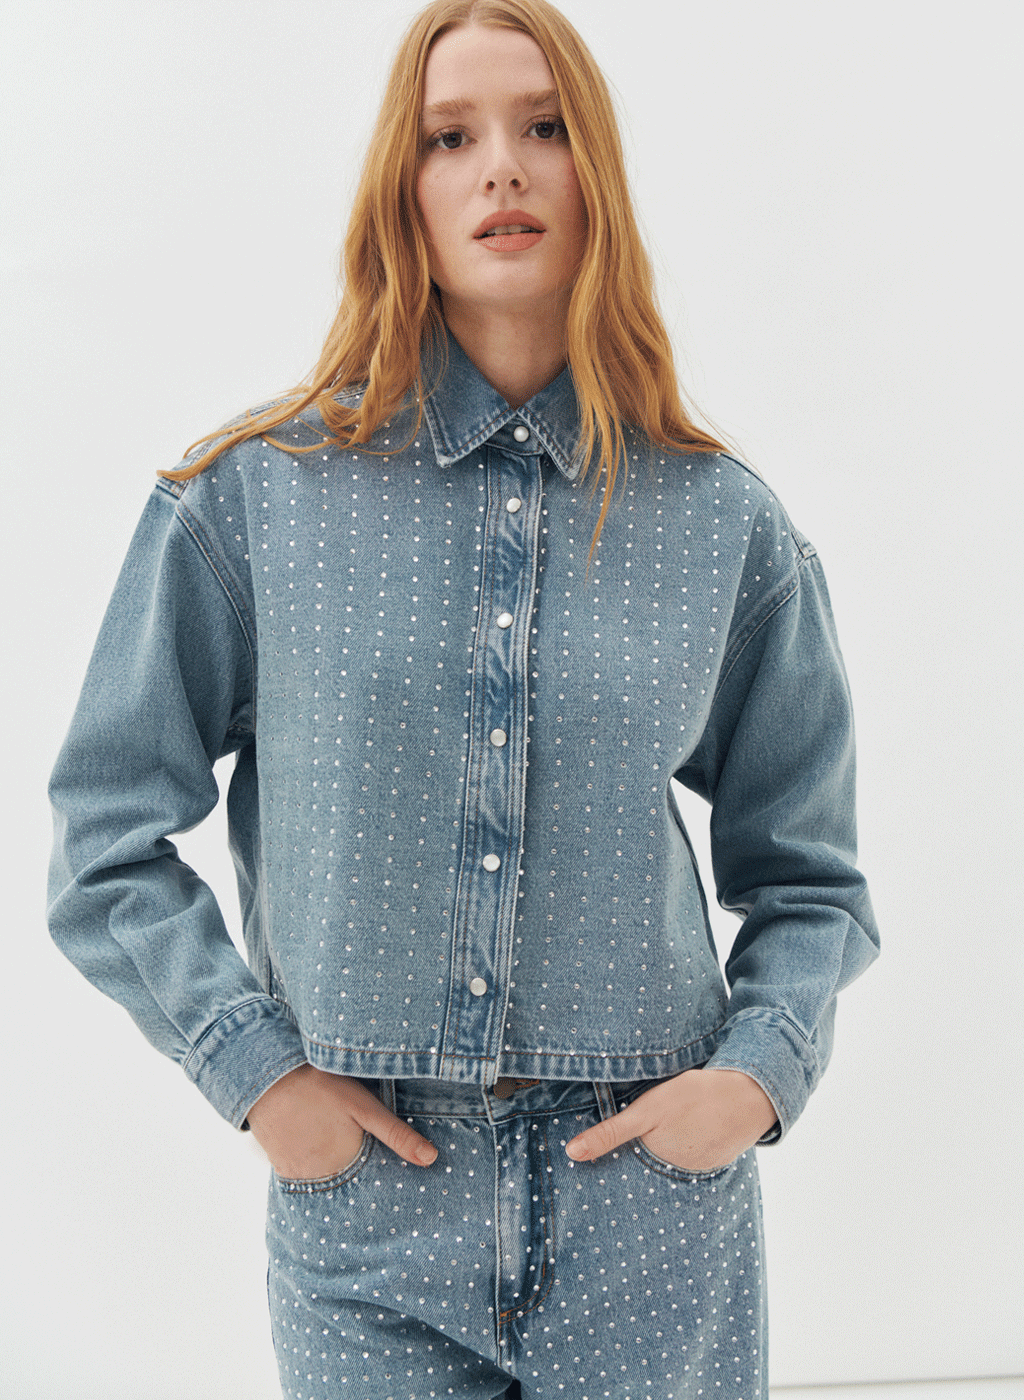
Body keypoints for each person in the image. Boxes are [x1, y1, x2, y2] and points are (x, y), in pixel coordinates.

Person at [47, 1, 880, 1396]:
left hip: (649, 1209)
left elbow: (812, 879)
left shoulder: (722, 524)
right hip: (368, 1202)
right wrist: (257, 1075)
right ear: (403, 188)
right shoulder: (252, 499)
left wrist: (758, 1075)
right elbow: (104, 836)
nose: (502, 165)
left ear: (594, 172)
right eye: (451, 137)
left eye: (544, 127)